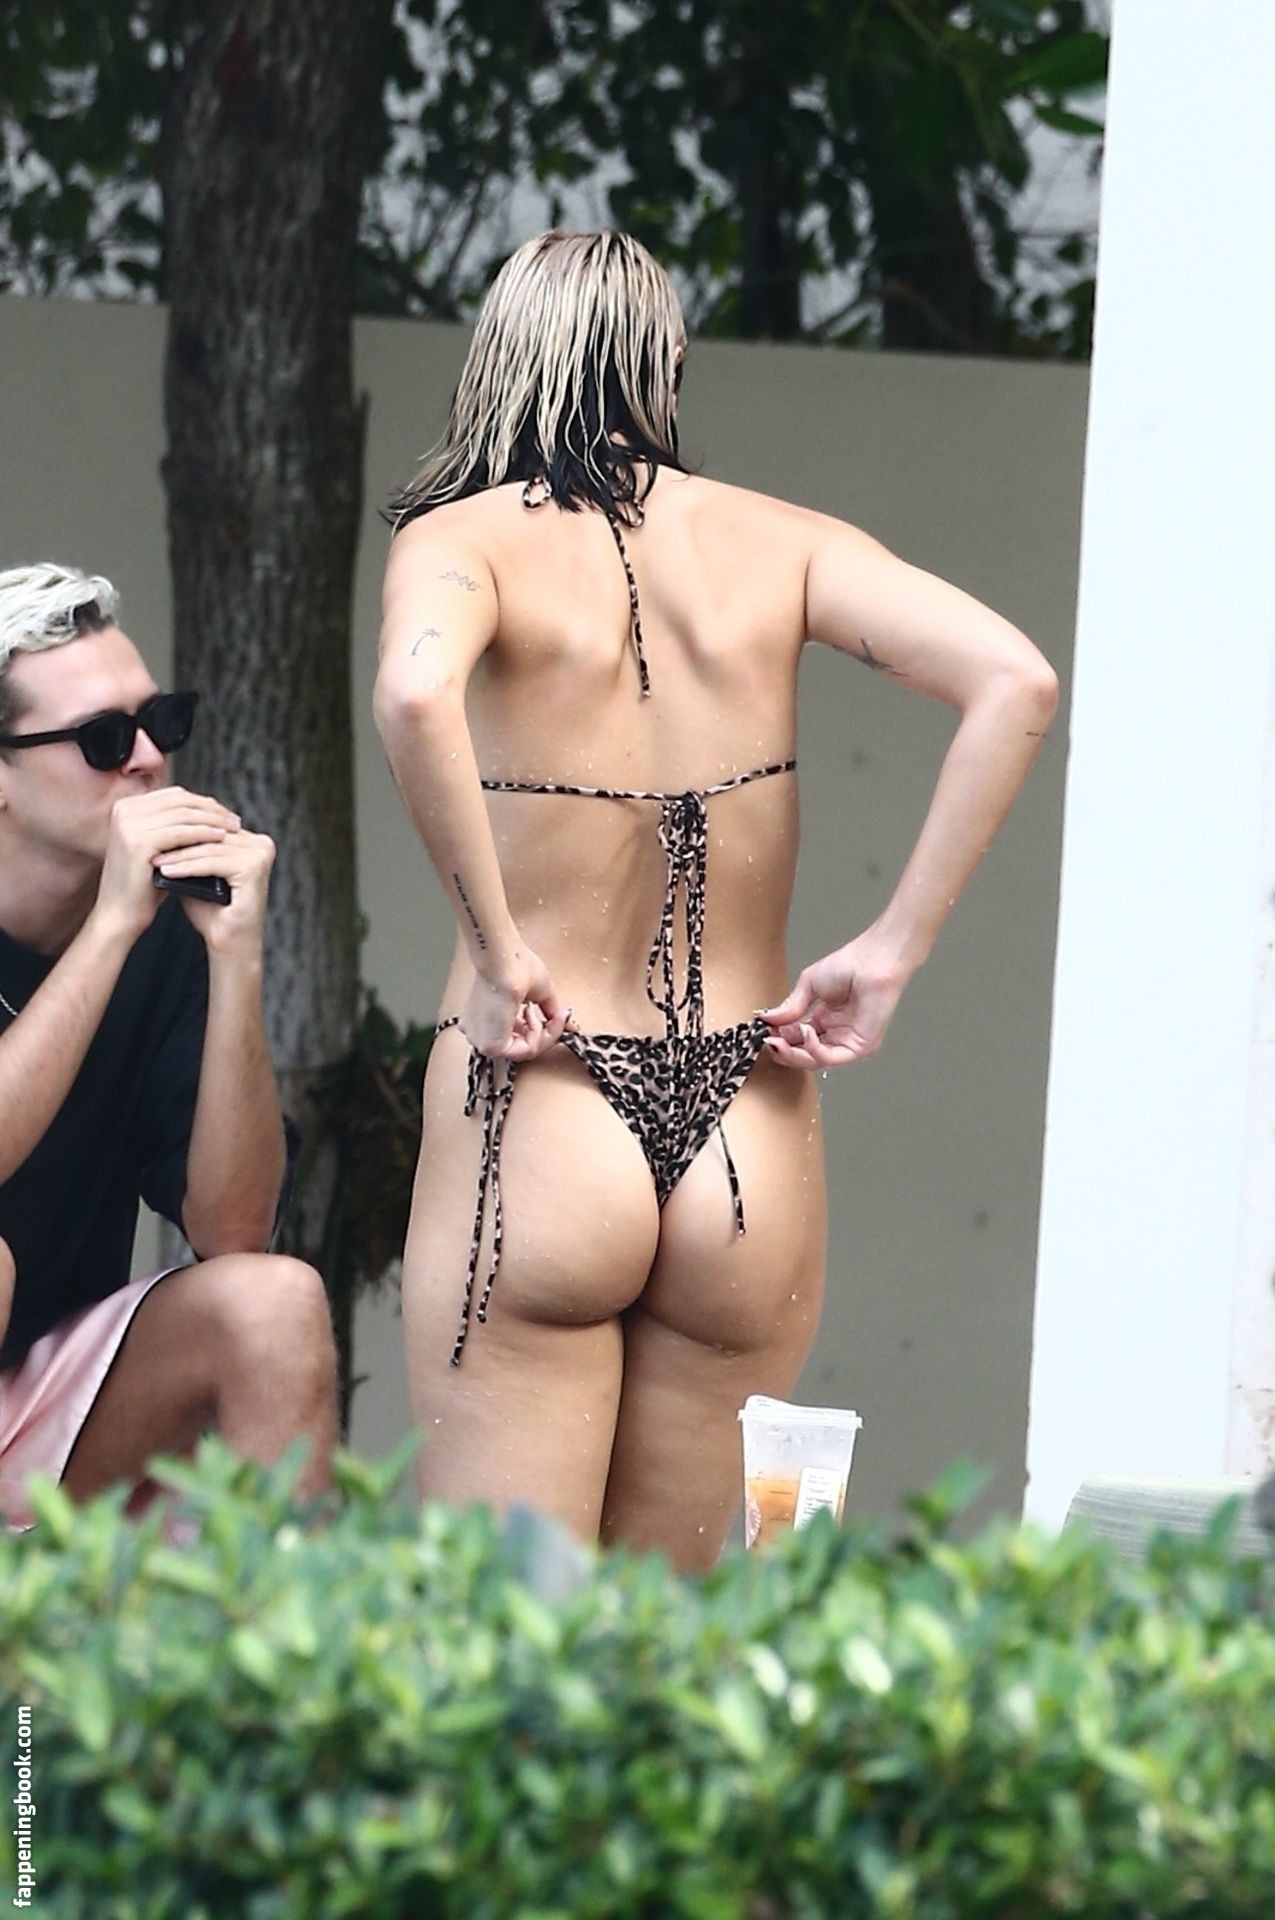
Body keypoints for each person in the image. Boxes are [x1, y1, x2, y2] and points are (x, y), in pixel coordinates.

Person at [374, 229, 1058, 1572]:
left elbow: (411, 690)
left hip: (542, 1100)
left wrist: (495, 948)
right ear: (666, 363)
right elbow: (1013, 679)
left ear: (498, 359)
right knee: (688, 1631)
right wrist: (891, 950)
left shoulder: (463, 542)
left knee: (507, 1629)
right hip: (750, 1118)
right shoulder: (779, 541)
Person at [0, 563, 338, 1535]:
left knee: (272, 1302)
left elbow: (234, 1229)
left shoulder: (163, 929)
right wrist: (109, 930)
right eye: (104, 739)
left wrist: (236, 959)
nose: (149, 758)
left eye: (160, 721)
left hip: (51, 1398)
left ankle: (282, 1627)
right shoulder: (126, 918)